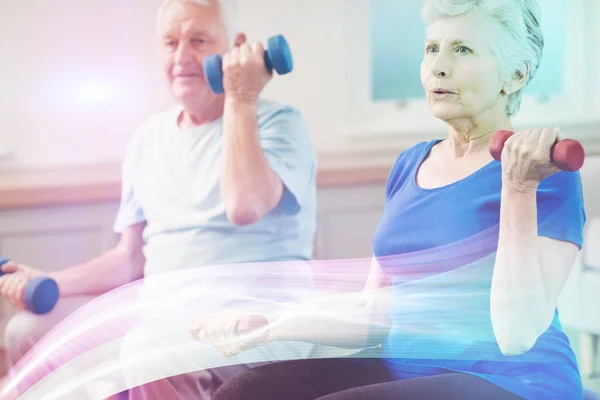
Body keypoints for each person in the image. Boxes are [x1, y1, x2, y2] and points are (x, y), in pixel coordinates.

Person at [194, 0, 588, 399]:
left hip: (514, 385)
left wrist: (518, 186)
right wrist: (270, 325)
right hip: (406, 376)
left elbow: (516, 334)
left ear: (516, 75)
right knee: (244, 394)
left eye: (462, 49)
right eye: (432, 48)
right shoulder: (410, 164)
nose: (438, 66)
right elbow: (372, 314)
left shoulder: (546, 178)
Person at [0, 0, 317, 398]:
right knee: (28, 332)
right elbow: (128, 258)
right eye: (170, 43)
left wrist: (241, 96)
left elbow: (243, 205)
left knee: (152, 348)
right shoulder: (147, 138)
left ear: (236, 47)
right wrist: (48, 282)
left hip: (256, 323)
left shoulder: (280, 122)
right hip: (160, 315)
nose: (182, 57)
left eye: (199, 40)